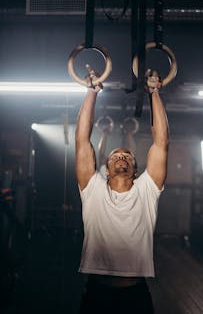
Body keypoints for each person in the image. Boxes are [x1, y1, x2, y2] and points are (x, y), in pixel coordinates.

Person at [76, 69, 169, 314]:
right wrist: (91, 92)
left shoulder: (147, 189)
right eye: (115, 156)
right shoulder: (92, 188)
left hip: (135, 295)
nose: (121, 157)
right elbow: (82, 141)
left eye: (126, 156)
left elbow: (161, 143)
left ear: (135, 169)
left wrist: (155, 93)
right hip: (97, 294)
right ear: (105, 169)